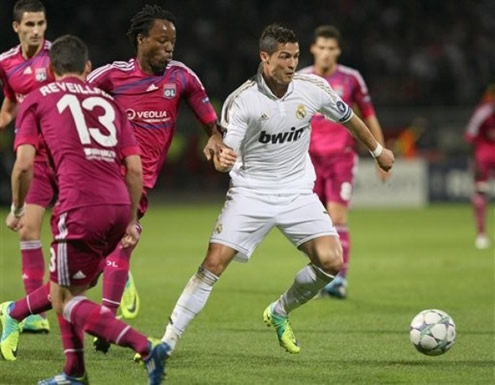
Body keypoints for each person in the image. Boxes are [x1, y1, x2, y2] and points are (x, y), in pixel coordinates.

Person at [152, 24, 394, 359]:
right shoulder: (243, 101)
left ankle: (280, 311)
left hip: (297, 192)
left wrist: (378, 152)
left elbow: (350, 117)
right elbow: (226, 157)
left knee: (331, 261)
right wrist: (221, 161)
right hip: (251, 193)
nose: (292, 64)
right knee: (212, 265)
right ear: (265, 58)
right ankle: (167, 340)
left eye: (295, 56)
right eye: (284, 57)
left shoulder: (312, 89)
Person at [1, 35, 168, 385]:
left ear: (49, 69)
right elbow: (134, 169)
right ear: (87, 67)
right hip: (120, 204)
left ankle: (145, 346)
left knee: (65, 299)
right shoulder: (108, 101)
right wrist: (132, 219)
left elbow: (24, 165)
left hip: (79, 206)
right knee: (72, 286)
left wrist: (17, 207)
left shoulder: (36, 99)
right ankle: (73, 371)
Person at [86, 4, 230, 351]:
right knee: (123, 239)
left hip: (142, 181)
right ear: (141, 40)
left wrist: (214, 136)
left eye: (173, 42)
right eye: (162, 40)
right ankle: (103, 319)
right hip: (109, 171)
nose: (169, 48)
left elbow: (207, 115)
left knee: (103, 252)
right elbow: (73, 97)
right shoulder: (110, 76)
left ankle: (26, 310)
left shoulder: (181, 77)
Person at [298, 25, 390, 299]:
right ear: (313, 49)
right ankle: (320, 276)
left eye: (331, 48)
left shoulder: (351, 79)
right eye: (321, 48)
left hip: (341, 158)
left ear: (338, 51)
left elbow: (369, 115)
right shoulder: (301, 78)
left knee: (337, 218)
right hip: (308, 161)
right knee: (314, 223)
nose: (326, 53)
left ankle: (339, 281)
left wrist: (379, 152)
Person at [0, 0, 54, 333]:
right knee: (28, 229)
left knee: (84, 230)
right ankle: (35, 313)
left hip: (68, 154)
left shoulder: (58, 57)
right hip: (35, 157)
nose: (36, 30)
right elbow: (10, 104)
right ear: (16, 27)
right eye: (29, 24)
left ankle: (121, 278)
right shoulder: (5, 63)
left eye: (41, 23)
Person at [465, 84, 495, 249]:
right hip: (485, 154)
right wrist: (475, 160)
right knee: (481, 191)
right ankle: (481, 233)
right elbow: (470, 134)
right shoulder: (483, 112)